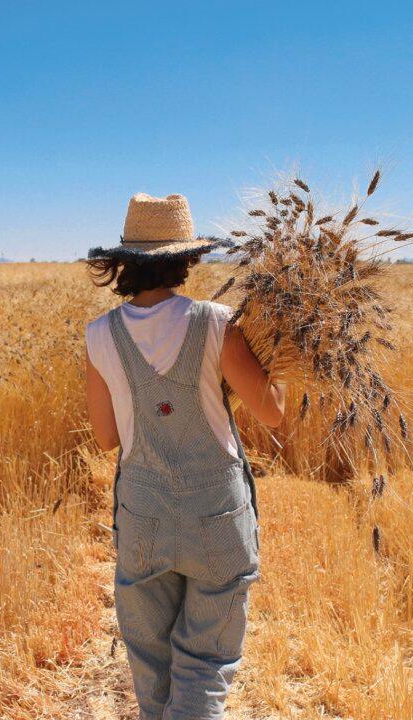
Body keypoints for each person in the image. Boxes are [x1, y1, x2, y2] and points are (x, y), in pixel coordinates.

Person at [84, 193, 285, 719]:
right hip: (216, 515)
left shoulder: (99, 335)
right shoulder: (218, 322)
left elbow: (107, 437)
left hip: (143, 513)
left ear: (126, 259)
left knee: (152, 668)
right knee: (204, 667)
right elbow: (273, 414)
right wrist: (283, 365)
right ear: (186, 258)